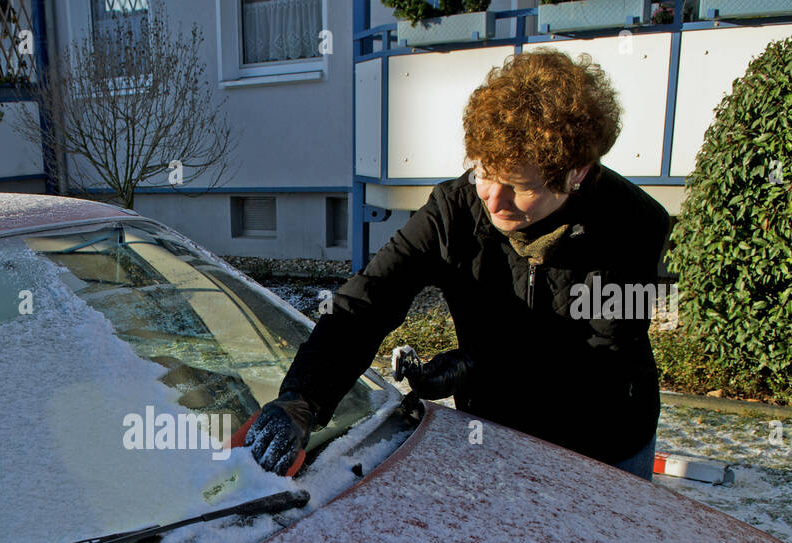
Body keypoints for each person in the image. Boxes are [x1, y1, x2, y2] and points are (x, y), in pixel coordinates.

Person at [245, 50, 673, 481]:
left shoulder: (633, 226)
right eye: (485, 171)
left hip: (605, 440)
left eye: (520, 187)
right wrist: (303, 398)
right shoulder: (454, 210)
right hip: (493, 430)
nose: (493, 199)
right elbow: (367, 302)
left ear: (575, 174)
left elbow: (599, 362)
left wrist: (476, 365)